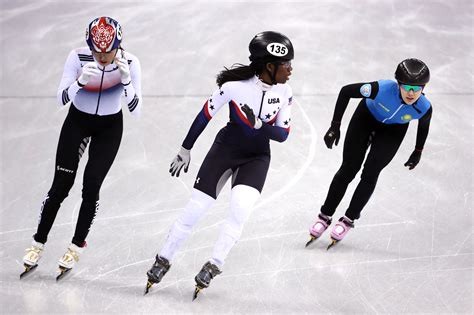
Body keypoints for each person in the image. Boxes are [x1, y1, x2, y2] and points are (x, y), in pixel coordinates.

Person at [144, 31, 294, 298]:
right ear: (269, 66)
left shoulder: (285, 92)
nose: (291, 70)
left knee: (240, 211)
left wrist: (260, 126)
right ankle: (163, 258)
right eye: (286, 65)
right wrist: (185, 149)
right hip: (226, 150)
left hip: (257, 157)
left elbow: (282, 135)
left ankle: (214, 265)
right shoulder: (234, 87)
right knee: (196, 208)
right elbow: (204, 115)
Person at [20, 16, 142, 279]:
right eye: (97, 51)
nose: (102, 56)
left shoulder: (130, 62)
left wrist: (126, 81)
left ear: (118, 44)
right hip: (77, 122)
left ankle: (75, 247)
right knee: (60, 185)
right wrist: (78, 83)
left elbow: (136, 111)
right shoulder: (77, 57)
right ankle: (37, 243)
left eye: (107, 51)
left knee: (91, 186)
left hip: (109, 129)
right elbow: (60, 99)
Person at [306, 58, 432, 249]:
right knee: (349, 168)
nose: (411, 93)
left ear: (423, 88)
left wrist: (418, 151)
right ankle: (325, 215)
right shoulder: (379, 89)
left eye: (417, 88)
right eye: (407, 87)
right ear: (398, 84)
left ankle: (348, 219)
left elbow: (423, 126)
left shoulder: (423, 107)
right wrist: (335, 126)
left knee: (371, 173)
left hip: (393, 131)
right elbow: (346, 91)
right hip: (365, 119)